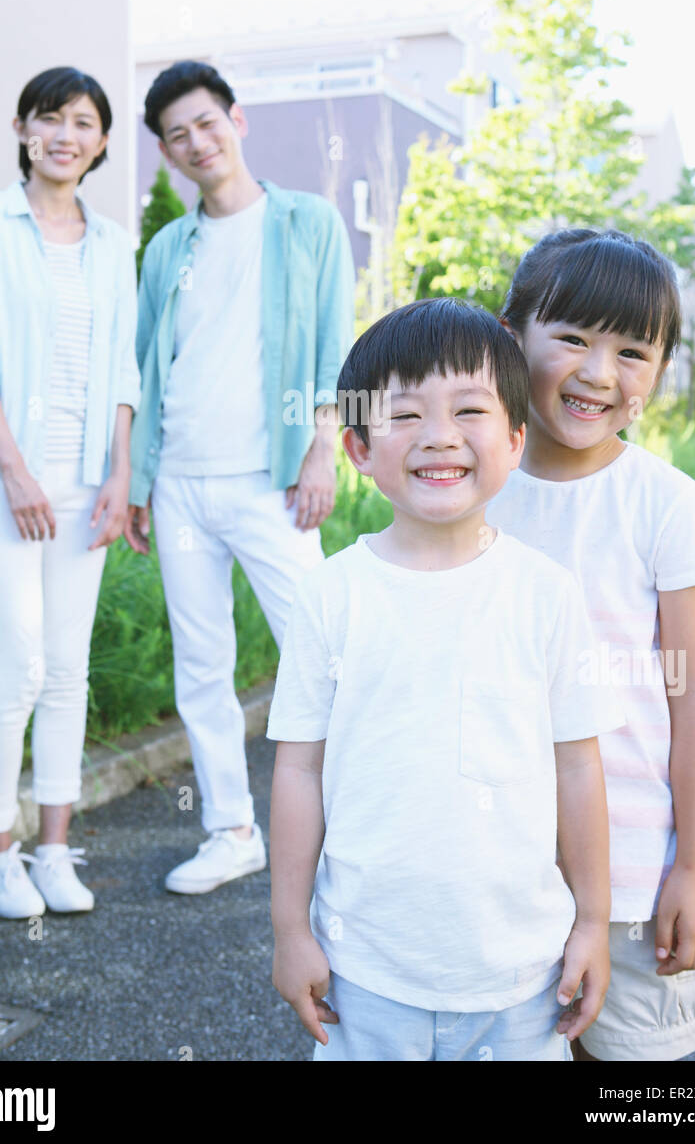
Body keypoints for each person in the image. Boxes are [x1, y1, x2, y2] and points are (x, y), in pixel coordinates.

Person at [267, 298, 625, 1061]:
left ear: (516, 438)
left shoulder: (545, 593)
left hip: (524, 979)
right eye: (404, 416)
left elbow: (577, 765)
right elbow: (298, 769)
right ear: (359, 448)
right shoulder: (331, 594)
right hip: (366, 974)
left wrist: (592, 922)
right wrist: (290, 931)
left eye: (470, 409)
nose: (439, 436)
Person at [486, 227, 695, 1061]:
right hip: (500, 875)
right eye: (572, 339)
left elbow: (693, 696)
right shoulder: (467, 496)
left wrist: (691, 870)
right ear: (511, 332)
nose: (600, 373)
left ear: (660, 370)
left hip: (635, 877)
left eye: (634, 350)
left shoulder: (663, 503)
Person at [125, 60, 355, 895]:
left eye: (206, 122)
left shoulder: (306, 222)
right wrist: (141, 480)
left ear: (237, 121)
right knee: (201, 664)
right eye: (177, 134)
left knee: (322, 654)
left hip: (273, 480)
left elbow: (339, 341)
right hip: (181, 479)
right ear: (165, 151)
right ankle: (231, 830)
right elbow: (149, 366)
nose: (196, 142)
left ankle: (360, 825)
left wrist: (324, 445)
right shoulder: (166, 248)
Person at [0, 67, 140, 919]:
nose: (65, 135)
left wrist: (121, 475)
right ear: (22, 129)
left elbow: (123, 363)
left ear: (101, 143)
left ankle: (54, 846)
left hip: (85, 477)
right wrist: (14, 470)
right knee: (16, 668)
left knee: (68, 672)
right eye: (49, 119)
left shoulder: (115, 243)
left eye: (82, 122)